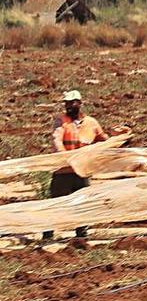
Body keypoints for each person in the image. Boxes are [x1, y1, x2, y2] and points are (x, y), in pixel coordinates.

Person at [45, 90, 120, 239]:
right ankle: (47, 235)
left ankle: (81, 235)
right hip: (63, 171)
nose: (69, 106)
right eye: (66, 103)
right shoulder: (61, 121)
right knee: (56, 203)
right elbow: (57, 140)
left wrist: (118, 138)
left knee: (83, 203)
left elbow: (103, 140)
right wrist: (66, 158)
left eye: (72, 103)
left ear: (79, 103)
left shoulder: (91, 123)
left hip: (82, 172)